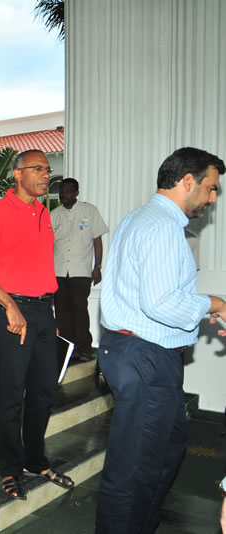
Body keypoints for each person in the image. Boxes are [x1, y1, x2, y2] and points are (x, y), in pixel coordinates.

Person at [96, 147, 226, 534]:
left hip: (143, 353)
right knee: (134, 469)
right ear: (188, 182)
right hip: (143, 355)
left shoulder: (142, 217)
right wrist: (215, 302)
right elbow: (162, 304)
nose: (213, 198)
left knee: (166, 448)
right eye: (211, 188)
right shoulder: (161, 226)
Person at [0, 149, 74, 501]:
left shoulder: (44, 212)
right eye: (38, 169)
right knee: (13, 394)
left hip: (43, 311)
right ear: (18, 174)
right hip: (12, 311)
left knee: (44, 391)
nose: (46, 175)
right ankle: (10, 468)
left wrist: (51, 316)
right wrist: (9, 305)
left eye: (48, 169)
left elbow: (39, 267)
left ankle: (35, 459)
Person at [50, 178, 108, 361]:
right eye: (62, 191)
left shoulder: (89, 211)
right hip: (58, 271)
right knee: (62, 312)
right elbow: (47, 244)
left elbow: (97, 241)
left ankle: (83, 348)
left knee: (80, 311)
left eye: (68, 191)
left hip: (80, 271)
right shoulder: (54, 214)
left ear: (76, 193)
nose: (64, 195)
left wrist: (97, 267)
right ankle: (67, 347)